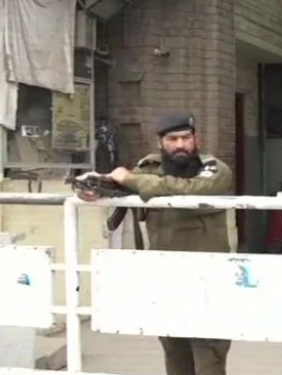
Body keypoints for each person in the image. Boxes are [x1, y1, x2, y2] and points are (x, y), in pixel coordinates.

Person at [74, 111, 234, 375]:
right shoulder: (149, 168)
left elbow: (190, 189)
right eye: (172, 139)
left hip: (208, 276)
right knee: (174, 350)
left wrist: (130, 179)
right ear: (161, 142)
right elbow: (121, 186)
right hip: (166, 275)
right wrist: (95, 186)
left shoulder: (215, 169)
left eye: (186, 138)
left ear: (196, 139)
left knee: (209, 354)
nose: (180, 145)